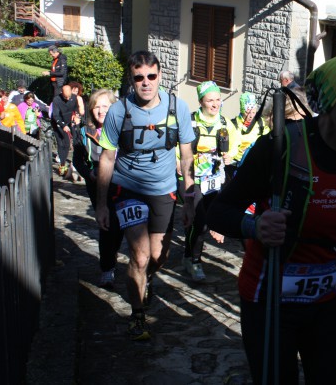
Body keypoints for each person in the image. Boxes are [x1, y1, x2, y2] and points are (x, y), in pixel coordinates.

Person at [206, 52, 336, 384]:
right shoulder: (281, 147)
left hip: (328, 299)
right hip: (268, 299)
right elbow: (217, 210)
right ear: (330, 104)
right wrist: (254, 226)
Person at [95, 50, 196, 341]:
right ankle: (137, 315)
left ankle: (147, 277)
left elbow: (186, 157)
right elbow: (107, 158)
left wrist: (190, 199)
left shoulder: (178, 109)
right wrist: (102, 204)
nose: (146, 83)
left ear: (160, 76)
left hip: (164, 190)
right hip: (127, 189)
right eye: (139, 78)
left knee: (158, 256)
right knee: (138, 256)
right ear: (131, 79)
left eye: (151, 76)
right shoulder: (118, 111)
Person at [182, 81, 238, 281]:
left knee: (204, 221)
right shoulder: (190, 122)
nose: (215, 104)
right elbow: (179, 151)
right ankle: (194, 261)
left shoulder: (225, 123)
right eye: (210, 100)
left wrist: (230, 155)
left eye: (217, 99)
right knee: (200, 223)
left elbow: (234, 145)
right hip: (194, 178)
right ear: (201, 102)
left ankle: (189, 255)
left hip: (215, 179)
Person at [72, 89, 125, 289]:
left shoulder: (123, 129)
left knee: (118, 226)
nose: (101, 111)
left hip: (122, 184)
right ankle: (107, 269)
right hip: (98, 186)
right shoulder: (84, 132)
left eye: (106, 106)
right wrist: (89, 173)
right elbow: (77, 160)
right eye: (97, 107)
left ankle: (111, 257)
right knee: (106, 225)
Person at [225, 91, 271, 180]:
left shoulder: (260, 122)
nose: (250, 116)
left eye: (253, 112)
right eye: (247, 112)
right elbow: (228, 146)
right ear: (242, 110)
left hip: (255, 162)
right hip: (237, 164)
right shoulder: (233, 124)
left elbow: (267, 140)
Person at [51, 85, 80, 176]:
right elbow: (55, 115)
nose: (67, 98)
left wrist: (76, 115)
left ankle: (63, 163)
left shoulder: (74, 98)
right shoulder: (56, 100)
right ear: (62, 93)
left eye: (69, 96)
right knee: (61, 143)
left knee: (67, 144)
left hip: (68, 121)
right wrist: (62, 125)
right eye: (65, 97)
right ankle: (62, 165)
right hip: (58, 123)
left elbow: (76, 108)